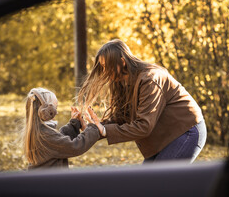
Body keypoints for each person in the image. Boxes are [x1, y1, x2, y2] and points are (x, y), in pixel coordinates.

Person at [78, 39, 207, 163]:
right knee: (145, 183)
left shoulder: (150, 79)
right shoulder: (121, 81)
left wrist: (105, 130)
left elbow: (144, 126)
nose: (105, 71)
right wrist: (94, 128)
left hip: (186, 131)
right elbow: (121, 117)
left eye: (107, 66)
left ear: (122, 62)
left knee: (159, 183)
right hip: (163, 137)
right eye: (103, 67)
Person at [22, 87, 103, 169]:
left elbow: (59, 141)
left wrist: (73, 124)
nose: (56, 113)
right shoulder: (46, 135)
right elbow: (74, 146)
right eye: (54, 109)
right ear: (44, 111)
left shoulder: (40, 131)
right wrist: (93, 127)